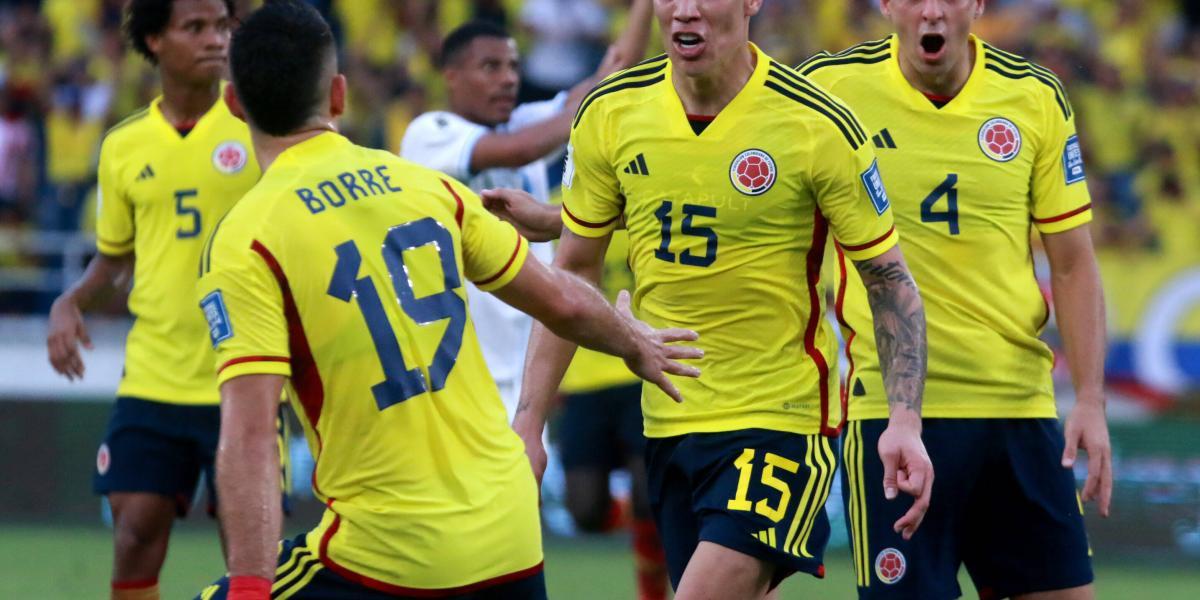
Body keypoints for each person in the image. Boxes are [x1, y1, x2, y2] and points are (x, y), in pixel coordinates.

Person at [193, 3, 700, 599]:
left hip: (388, 553)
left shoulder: (246, 237)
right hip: (511, 539)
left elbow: (252, 435)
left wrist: (252, 589)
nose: (506, 78)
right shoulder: (427, 182)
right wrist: (634, 342)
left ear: (232, 104)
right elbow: (562, 302)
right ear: (338, 94)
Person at [509, 0, 934, 598]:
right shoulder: (611, 112)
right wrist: (528, 423)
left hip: (779, 420)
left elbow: (889, 280)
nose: (685, 11)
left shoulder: (815, 123)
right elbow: (572, 273)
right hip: (670, 421)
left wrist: (905, 421)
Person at [800, 1, 1111, 598]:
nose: (933, 10)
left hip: (1017, 407)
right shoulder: (830, 91)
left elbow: (1073, 262)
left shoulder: (1034, 97)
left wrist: (1091, 400)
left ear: (977, 5)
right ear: (887, 4)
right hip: (892, 416)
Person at [44, 2, 261, 598]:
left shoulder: (260, 126)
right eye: (195, 27)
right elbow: (115, 260)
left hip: (247, 372)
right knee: (135, 528)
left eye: (222, 26)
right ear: (154, 40)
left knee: (250, 555)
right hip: (155, 373)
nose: (215, 39)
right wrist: (71, 301)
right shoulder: (123, 145)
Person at [399, 6, 649, 423]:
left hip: (526, 368)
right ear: (451, 76)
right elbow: (520, 149)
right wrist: (592, 105)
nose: (509, 78)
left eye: (514, 66)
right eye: (491, 67)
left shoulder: (524, 121)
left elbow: (616, 72)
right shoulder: (430, 134)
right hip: (466, 376)